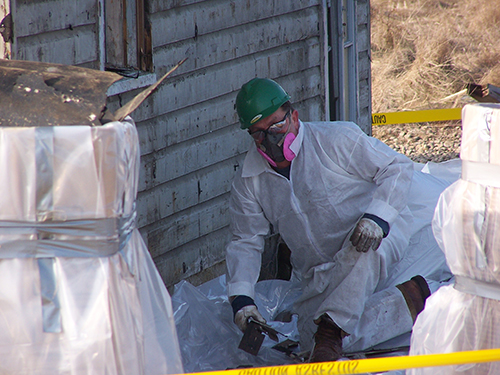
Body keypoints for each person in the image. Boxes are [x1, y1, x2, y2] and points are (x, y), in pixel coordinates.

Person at [226, 77, 453, 362]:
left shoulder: (335, 140)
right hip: (321, 273)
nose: (270, 140)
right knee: (311, 343)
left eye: (276, 127)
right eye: (259, 134)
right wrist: (242, 299)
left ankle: (332, 329)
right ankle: (412, 298)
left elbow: (396, 167)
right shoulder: (250, 180)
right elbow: (245, 240)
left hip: (372, 240)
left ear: (294, 117)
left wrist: (377, 217)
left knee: (361, 255)